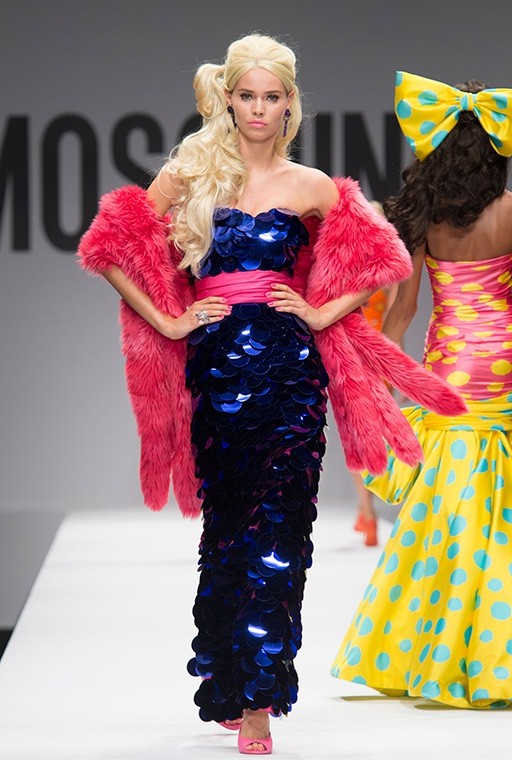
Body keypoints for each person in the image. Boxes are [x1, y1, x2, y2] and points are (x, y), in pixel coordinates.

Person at [78, 42, 465, 755]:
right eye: (248, 95)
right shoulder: (190, 174)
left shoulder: (311, 185)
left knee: (282, 529)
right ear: (229, 99)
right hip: (217, 372)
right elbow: (106, 245)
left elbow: (387, 259)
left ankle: (258, 699)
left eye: (272, 96)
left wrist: (320, 311)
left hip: (290, 374)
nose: (259, 108)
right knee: (228, 528)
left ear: (290, 104)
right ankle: (229, 678)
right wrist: (168, 320)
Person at [331, 71, 512, 709]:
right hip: (505, 366)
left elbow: (401, 314)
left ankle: (434, 647)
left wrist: (380, 391)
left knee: (449, 514)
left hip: (451, 367)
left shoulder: (425, 218)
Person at [351, 201, 398, 547]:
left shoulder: (348, 262)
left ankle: (367, 512)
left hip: (353, 353)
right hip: (380, 353)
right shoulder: (391, 266)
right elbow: (398, 318)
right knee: (373, 437)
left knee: (358, 438)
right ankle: (367, 510)